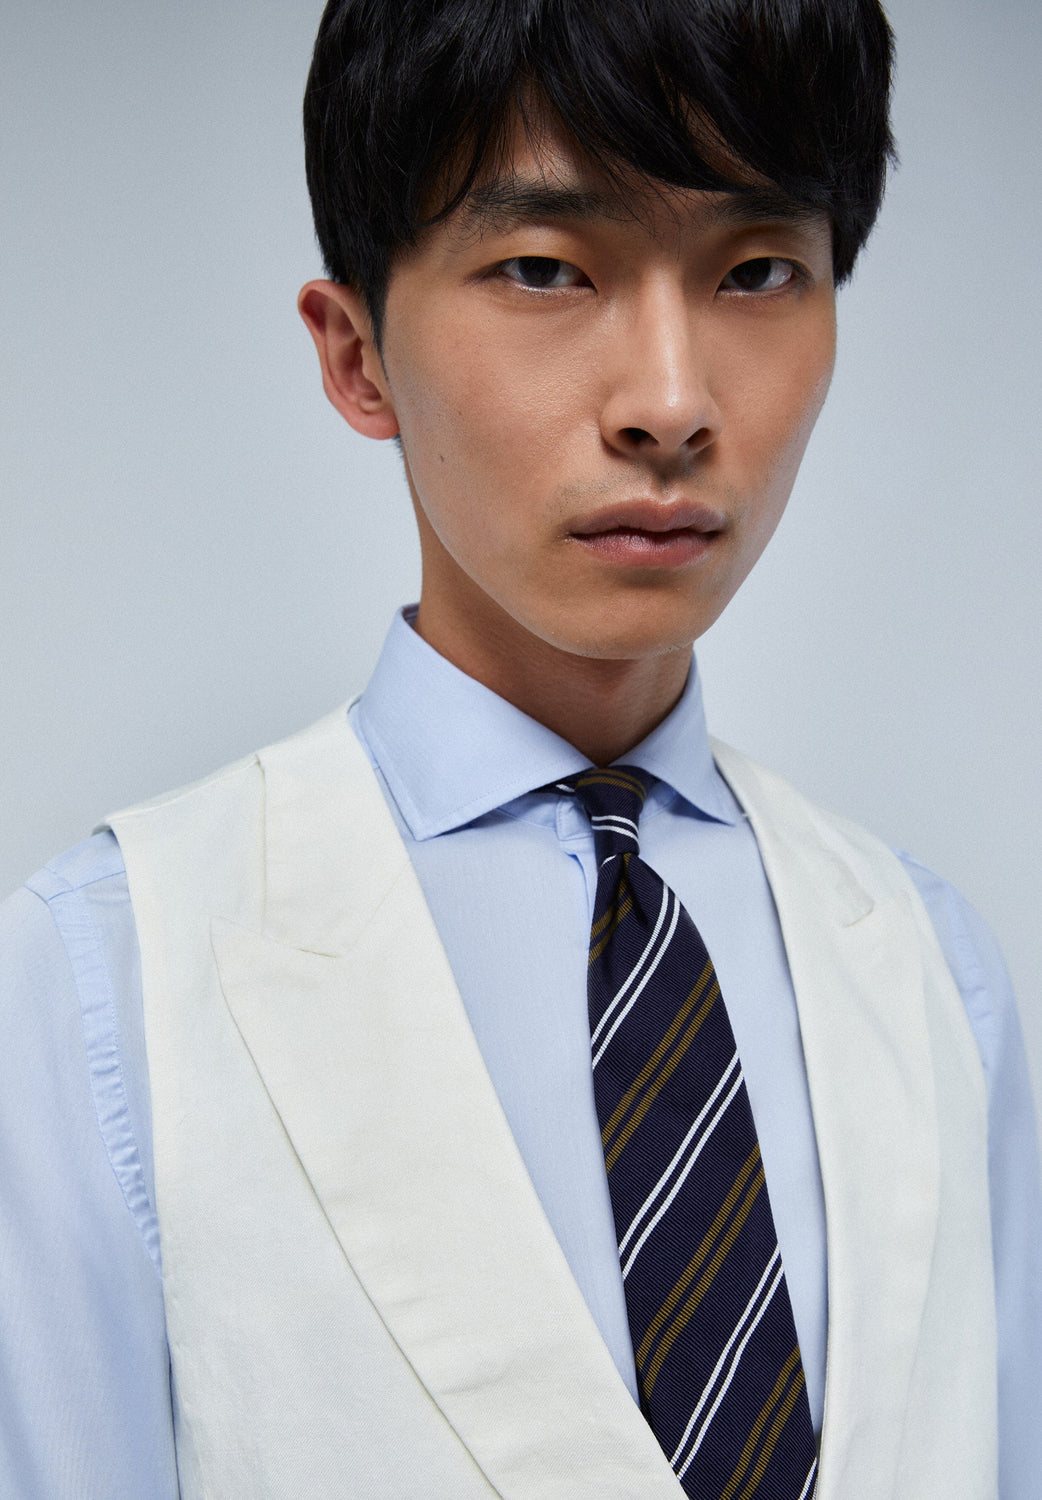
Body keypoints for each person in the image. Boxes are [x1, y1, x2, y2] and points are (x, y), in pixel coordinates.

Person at [1, 0, 1039, 1496]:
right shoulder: (105, 974)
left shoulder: (934, 970)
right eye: (547, 268)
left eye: (757, 270)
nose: (670, 404)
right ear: (356, 353)